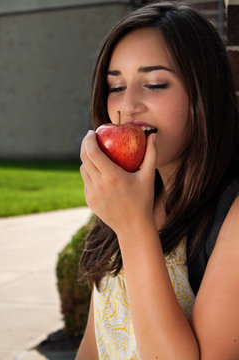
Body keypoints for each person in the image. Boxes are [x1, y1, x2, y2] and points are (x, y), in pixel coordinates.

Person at [76, 2, 239, 359]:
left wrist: (134, 227)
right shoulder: (130, 198)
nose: (128, 105)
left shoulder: (231, 217)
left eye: (154, 84)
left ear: (203, 94)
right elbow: (95, 344)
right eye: (115, 87)